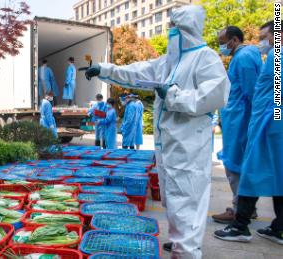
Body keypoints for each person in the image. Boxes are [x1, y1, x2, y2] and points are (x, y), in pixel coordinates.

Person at [85, 5, 230, 259]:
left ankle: (186, 252)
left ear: (187, 30)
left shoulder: (204, 58)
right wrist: (105, 69)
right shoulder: (168, 62)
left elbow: (214, 96)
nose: (171, 31)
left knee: (187, 204)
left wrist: (172, 95)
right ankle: (179, 244)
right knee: (174, 203)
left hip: (188, 149)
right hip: (169, 148)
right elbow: (135, 72)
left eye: (175, 27)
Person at [214, 21, 283, 245]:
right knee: (276, 175)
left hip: (267, 125)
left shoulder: (276, 56)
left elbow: (270, 93)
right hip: (268, 123)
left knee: (252, 172)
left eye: (266, 36)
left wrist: (271, 119)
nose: (263, 41)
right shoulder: (271, 56)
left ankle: (240, 225)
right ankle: (279, 227)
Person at [212, 26, 263, 224]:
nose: (221, 47)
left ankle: (239, 209)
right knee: (237, 164)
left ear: (233, 40)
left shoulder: (243, 58)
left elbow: (251, 93)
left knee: (234, 165)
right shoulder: (246, 56)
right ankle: (246, 208)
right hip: (237, 118)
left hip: (240, 120)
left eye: (222, 43)